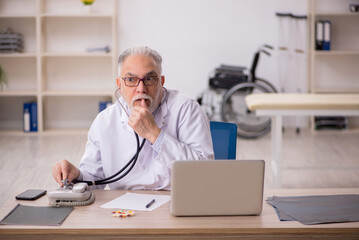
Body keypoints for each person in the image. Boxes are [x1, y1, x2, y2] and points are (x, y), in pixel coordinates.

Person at [52, 46, 214, 190]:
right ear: (119, 85)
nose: (141, 88)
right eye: (131, 80)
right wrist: (77, 175)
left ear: (161, 82)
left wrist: (154, 134)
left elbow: (203, 173)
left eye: (150, 79)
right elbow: (95, 180)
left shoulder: (186, 108)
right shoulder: (105, 121)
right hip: (123, 208)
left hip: (175, 201)